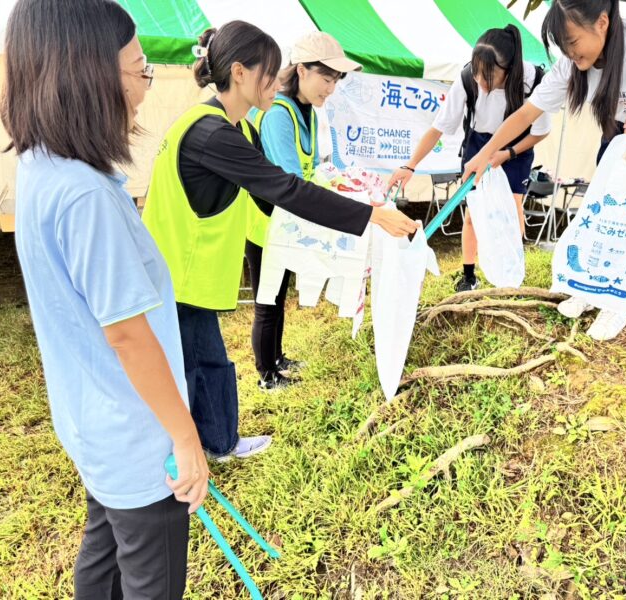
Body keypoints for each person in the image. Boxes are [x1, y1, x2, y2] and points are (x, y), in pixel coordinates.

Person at [3, 0, 208, 597]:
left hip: (94, 422)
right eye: (141, 69)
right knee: (151, 577)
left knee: (103, 553)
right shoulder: (87, 197)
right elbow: (127, 333)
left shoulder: (41, 165)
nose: (145, 86)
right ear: (88, 76)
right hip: (138, 435)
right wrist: (186, 438)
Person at [142, 22, 418, 461]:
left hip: (190, 271)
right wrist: (368, 216)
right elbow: (286, 188)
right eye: (270, 72)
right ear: (239, 72)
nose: (278, 81)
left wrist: (328, 229)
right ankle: (197, 449)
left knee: (209, 361)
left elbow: (274, 200)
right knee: (195, 364)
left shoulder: (236, 130)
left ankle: (217, 442)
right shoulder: (212, 133)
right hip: (176, 272)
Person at [463, 0, 626, 340]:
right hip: (620, 132)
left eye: (572, 42)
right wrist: (486, 154)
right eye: (563, 47)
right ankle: (593, 288)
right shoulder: (572, 64)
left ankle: (619, 302)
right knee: (601, 209)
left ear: (602, 23)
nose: (570, 53)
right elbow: (526, 114)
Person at [387, 25, 551, 292]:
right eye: (476, 73)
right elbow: (437, 128)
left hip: (515, 148)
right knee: (473, 214)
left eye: (487, 77)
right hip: (478, 144)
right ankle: (468, 276)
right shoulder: (467, 79)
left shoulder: (533, 83)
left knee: (511, 211)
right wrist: (410, 165)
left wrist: (506, 153)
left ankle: (511, 274)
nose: (480, 82)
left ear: (507, 71)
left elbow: (539, 133)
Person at [245, 32, 361, 390]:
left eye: (336, 81)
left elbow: (311, 169)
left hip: (286, 225)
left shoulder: (306, 109)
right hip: (265, 223)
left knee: (280, 294)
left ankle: (277, 359)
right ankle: (266, 375)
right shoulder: (279, 114)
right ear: (302, 71)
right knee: (268, 299)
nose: (331, 88)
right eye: (326, 79)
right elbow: (291, 182)